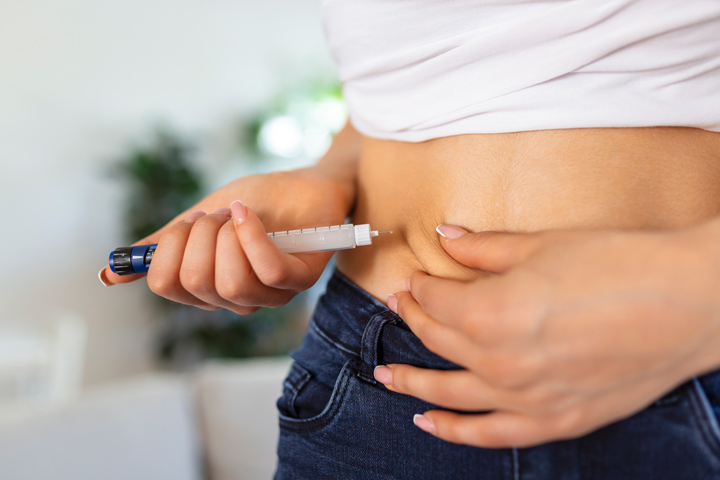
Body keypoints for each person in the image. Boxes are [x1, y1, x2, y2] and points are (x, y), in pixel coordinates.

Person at [100, 1, 720, 478]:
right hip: (378, 382)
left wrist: (692, 299)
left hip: (680, 364)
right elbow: (396, 86)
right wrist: (328, 173)